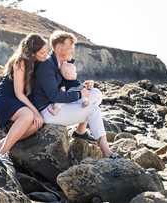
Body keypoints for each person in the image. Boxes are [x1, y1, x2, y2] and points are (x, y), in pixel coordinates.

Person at [32, 30, 120, 158]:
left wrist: (84, 87)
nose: (73, 50)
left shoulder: (61, 64)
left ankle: (80, 131)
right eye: (70, 46)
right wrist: (80, 95)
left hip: (58, 106)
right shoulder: (47, 66)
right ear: (58, 47)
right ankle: (106, 151)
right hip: (48, 112)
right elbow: (54, 96)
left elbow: (70, 85)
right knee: (93, 110)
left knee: (95, 93)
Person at [0, 33, 48, 158]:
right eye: (42, 53)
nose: (46, 55)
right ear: (33, 53)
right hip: (6, 98)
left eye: (46, 51)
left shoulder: (40, 62)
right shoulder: (20, 62)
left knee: (37, 124)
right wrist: (35, 111)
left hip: (21, 101)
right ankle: (1, 155)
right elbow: (19, 93)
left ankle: (0, 144)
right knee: (29, 115)